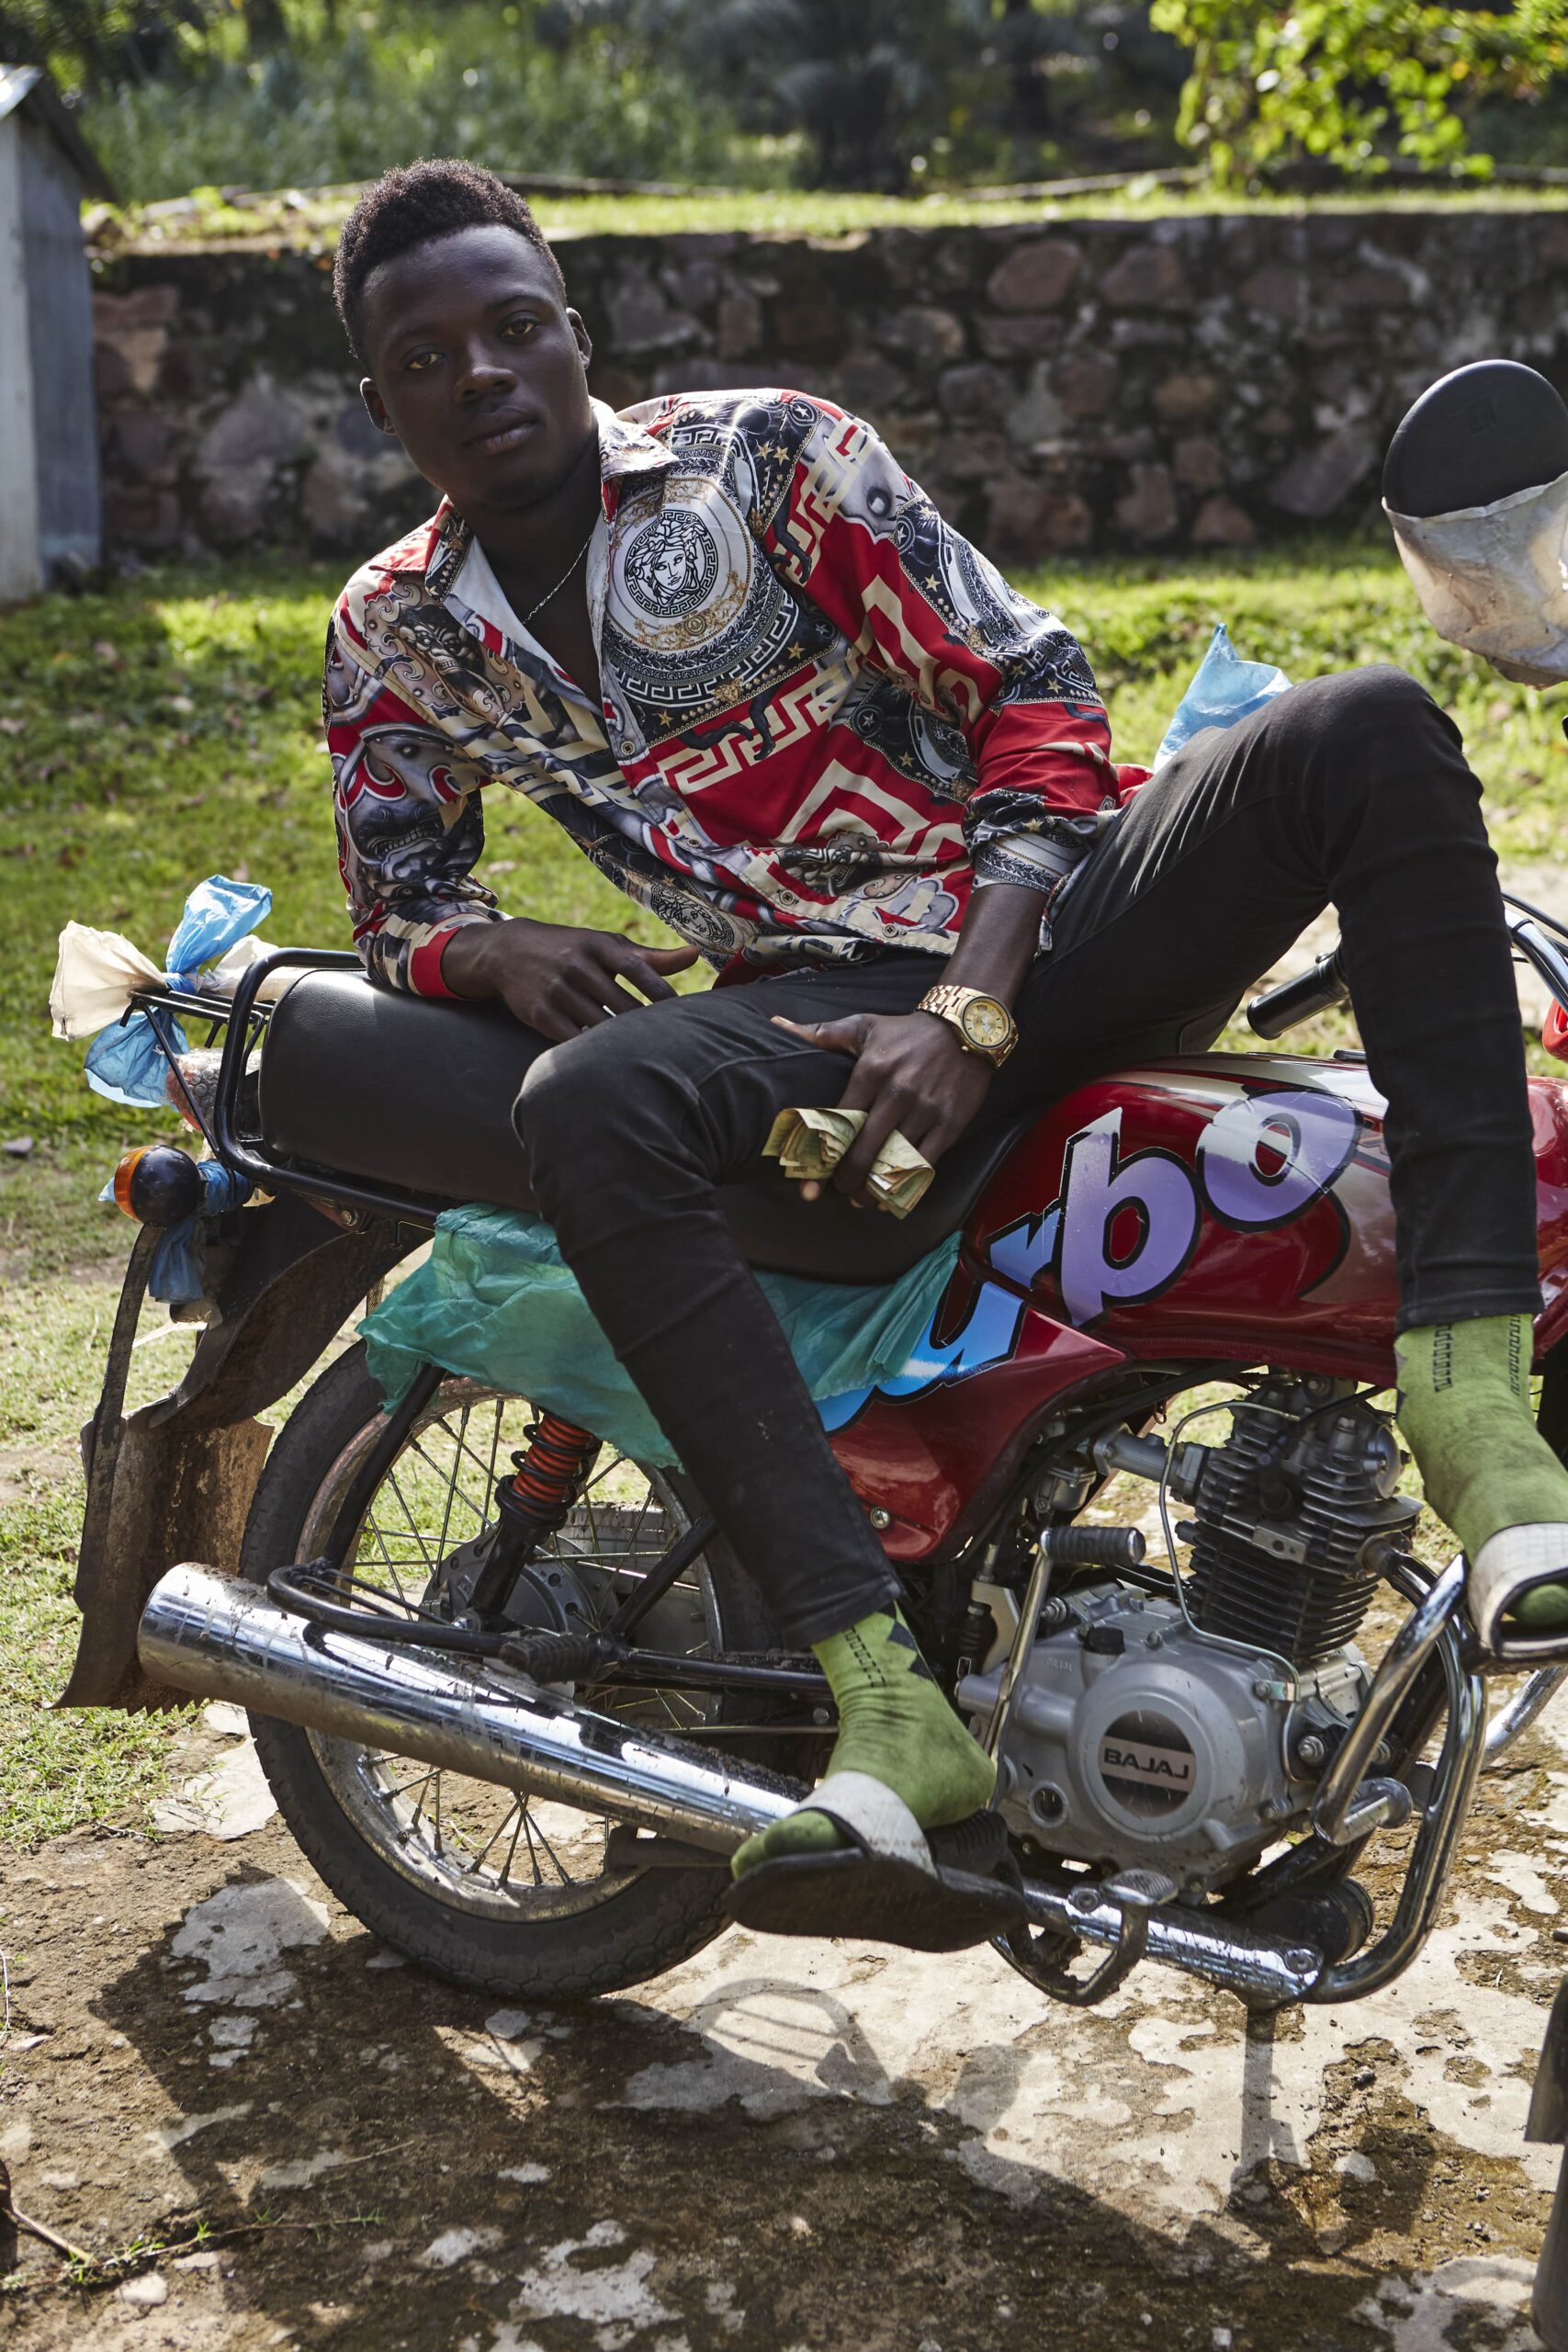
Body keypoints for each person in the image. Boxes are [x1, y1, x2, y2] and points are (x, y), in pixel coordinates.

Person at [323, 157, 1568, 1922]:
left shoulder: (771, 456)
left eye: (516, 327)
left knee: (1363, 727)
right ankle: (890, 1713)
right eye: (430, 357)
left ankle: (1474, 1403)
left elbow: (1035, 693)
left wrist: (974, 1002)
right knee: (587, 1100)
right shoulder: (396, 631)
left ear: (572, 332)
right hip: (810, 1012)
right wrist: (490, 943)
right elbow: (398, 892)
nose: (485, 374)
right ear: (382, 406)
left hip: (1048, 927)